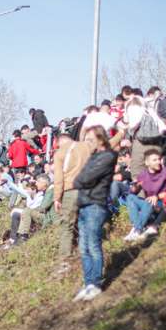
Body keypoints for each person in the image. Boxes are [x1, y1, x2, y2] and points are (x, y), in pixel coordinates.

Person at [72, 126, 120, 301]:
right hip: (84, 203)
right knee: (83, 247)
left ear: (101, 139)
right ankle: (88, 282)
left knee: (93, 245)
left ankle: (96, 283)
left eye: (91, 139)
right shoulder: (93, 157)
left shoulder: (108, 156)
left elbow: (83, 178)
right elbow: (79, 179)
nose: (88, 143)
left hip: (95, 204)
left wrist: (81, 179)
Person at [52, 130, 91, 272]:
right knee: (86, 222)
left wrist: (57, 198)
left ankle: (65, 261)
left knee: (66, 226)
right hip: (89, 188)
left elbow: (58, 178)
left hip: (71, 190)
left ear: (59, 142)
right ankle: (87, 253)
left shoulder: (60, 153)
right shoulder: (86, 146)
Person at [124, 149, 166, 241]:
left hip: (161, 204)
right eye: (154, 160)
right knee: (130, 197)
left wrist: (157, 197)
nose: (158, 162)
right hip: (148, 203)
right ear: (147, 163)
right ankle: (137, 227)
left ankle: (137, 230)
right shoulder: (143, 174)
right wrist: (136, 186)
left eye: (159, 159)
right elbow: (133, 192)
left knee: (149, 201)